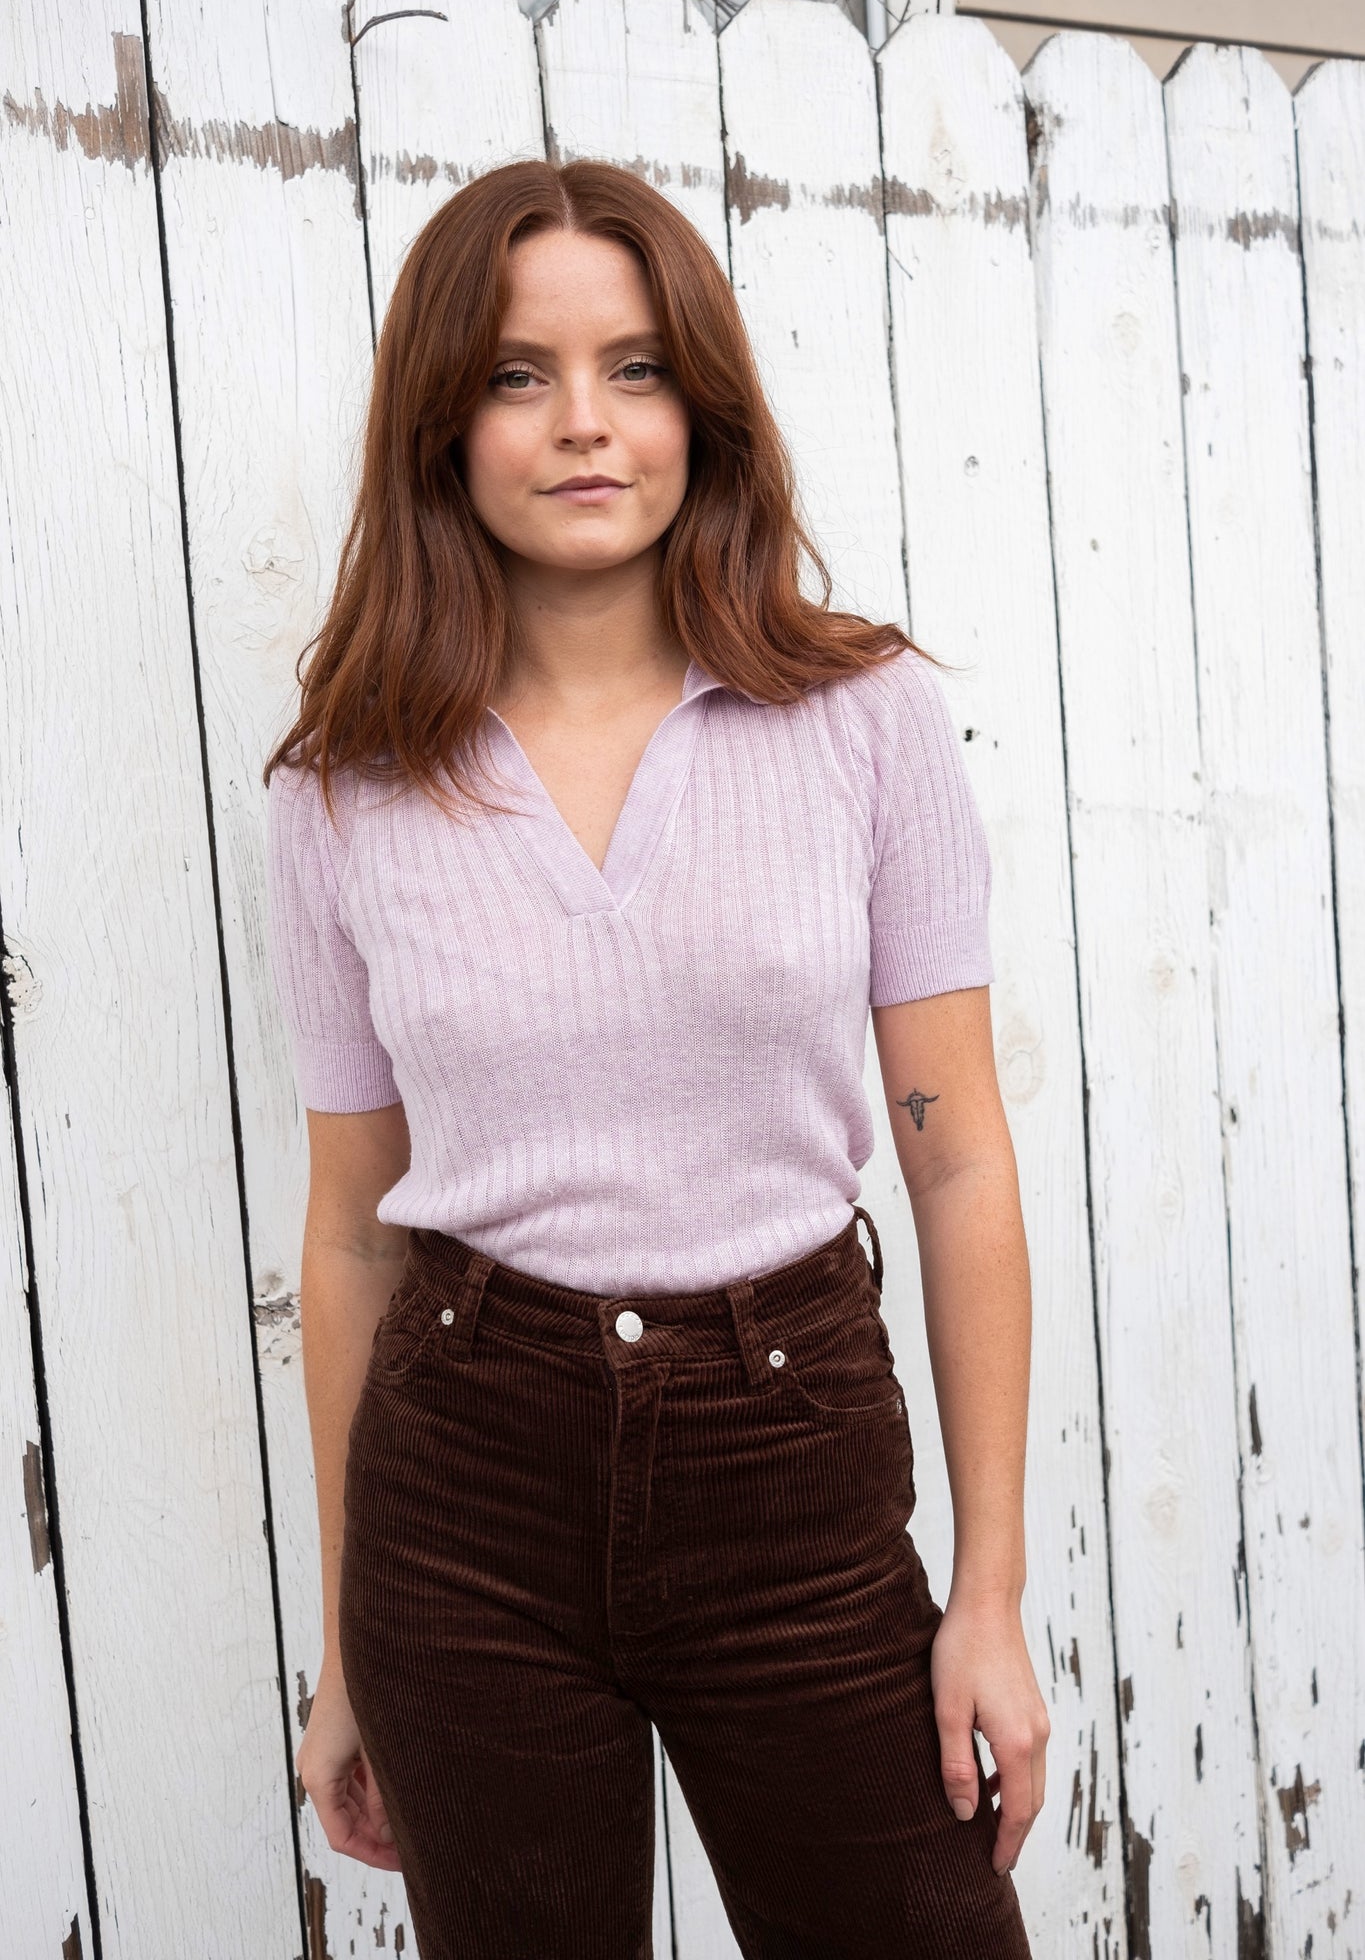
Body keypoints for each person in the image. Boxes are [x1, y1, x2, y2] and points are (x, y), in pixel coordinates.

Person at [263, 156, 1047, 1960]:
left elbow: (955, 1156)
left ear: (701, 406)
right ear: (442, 426)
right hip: (461, 1492)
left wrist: (987, 1595)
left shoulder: (860, 719)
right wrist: (347, 1654)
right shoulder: (343, 791)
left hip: (792, 1450)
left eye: (633, 368)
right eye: (516, 375)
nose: (584, 423)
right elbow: (352, 1230)